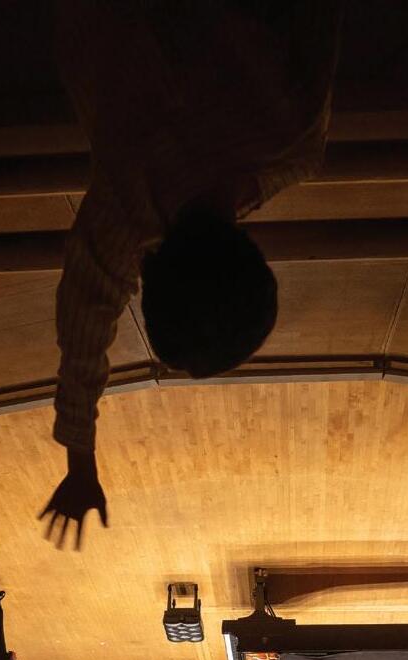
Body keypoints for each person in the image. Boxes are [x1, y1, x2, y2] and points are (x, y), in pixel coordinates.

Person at [38, 0, 342, 548]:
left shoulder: (296, 138)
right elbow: (81, 326)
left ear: (254, 255)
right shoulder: (126, 202)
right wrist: (80, 463)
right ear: (149, 265)